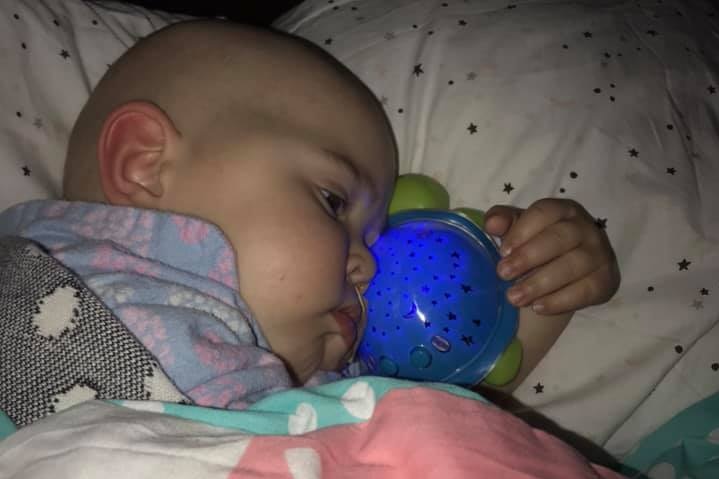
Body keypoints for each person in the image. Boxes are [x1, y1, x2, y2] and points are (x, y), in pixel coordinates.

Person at [0, 20, 619, 411]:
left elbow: (442, 410)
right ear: (144, 164)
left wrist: (540, 283)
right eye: (331, 202)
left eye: (372, 235)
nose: (368, 263)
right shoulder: (50, 288)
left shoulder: (306, 374)